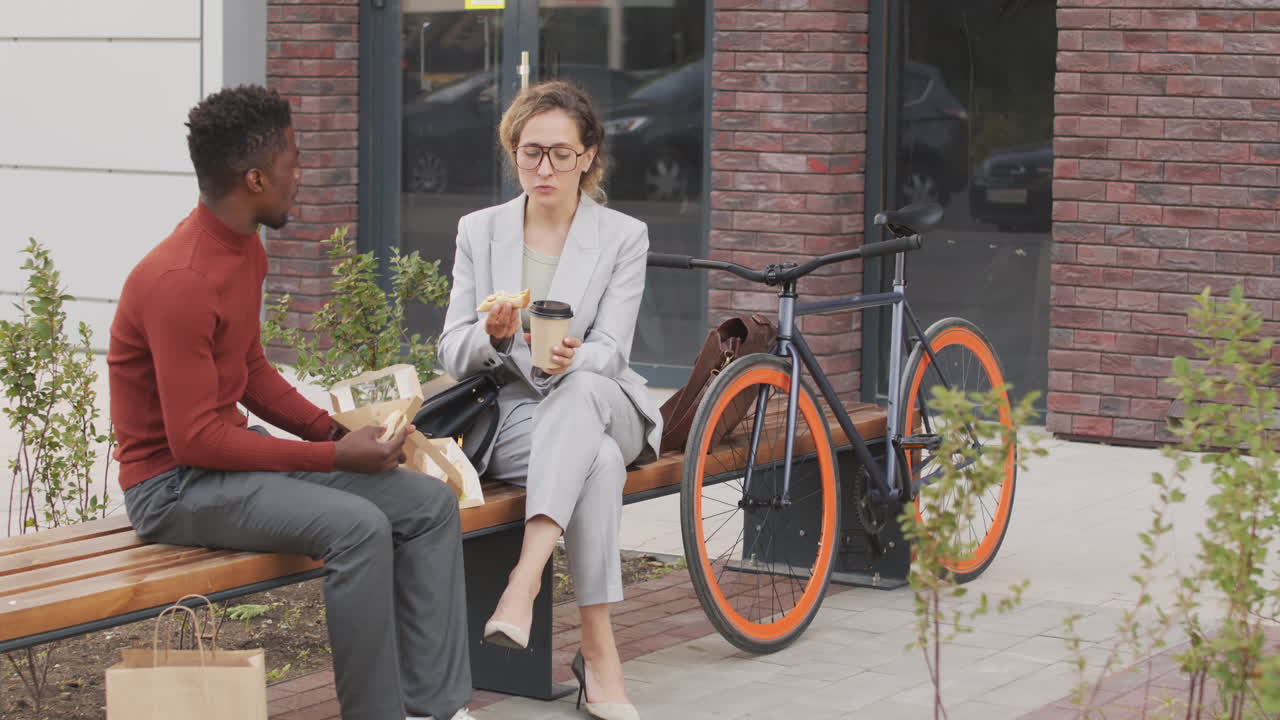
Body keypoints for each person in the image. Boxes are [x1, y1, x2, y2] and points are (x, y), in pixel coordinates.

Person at [108, 85, 474, 720]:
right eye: (293, 162)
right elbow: (194, 440)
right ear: (254, 178)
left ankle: (437, 709)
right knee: (356, 528)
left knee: (427, 503)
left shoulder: (244, 244)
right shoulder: (180, 280)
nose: (301, 176)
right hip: (172, 487)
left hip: (225, 468)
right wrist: (333, 458)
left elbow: (249, 368)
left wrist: (337, 432)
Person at [438, 81, 661, 720]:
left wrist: (573, 357)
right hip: (517, 417)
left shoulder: (623, 236)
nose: (544, 168)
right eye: (531, 152)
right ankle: (597, 653)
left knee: (585, 390)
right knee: (597, 464)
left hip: (605, 400)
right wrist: (492, 336)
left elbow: (613, 349)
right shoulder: (479, 232)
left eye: (561, 154)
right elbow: (451, 350)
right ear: (513, 153)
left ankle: (525, 580)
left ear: (588, 156)